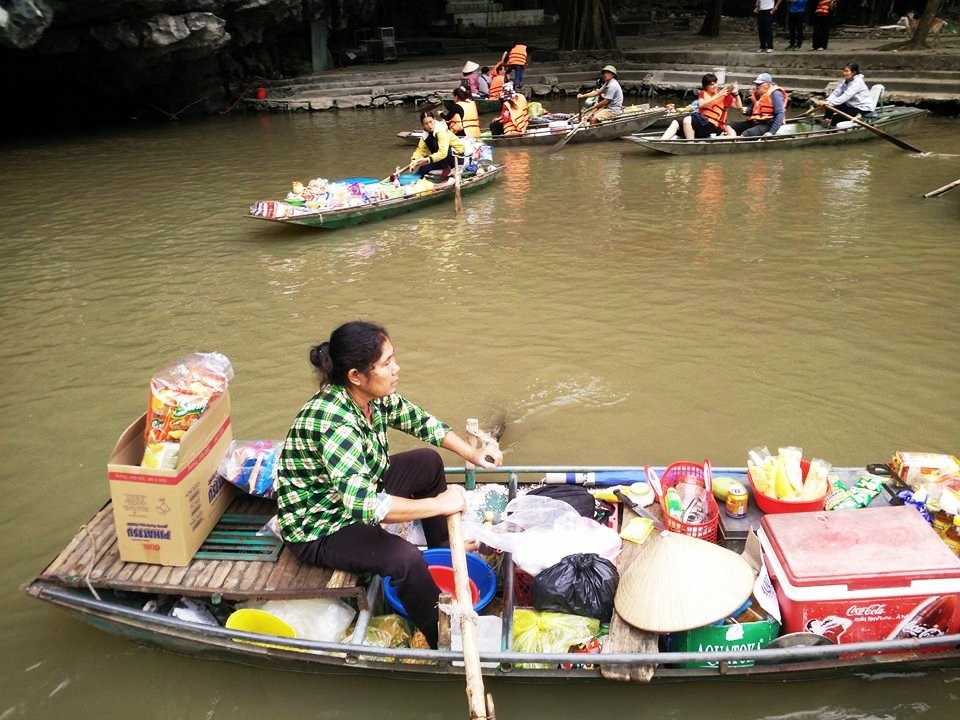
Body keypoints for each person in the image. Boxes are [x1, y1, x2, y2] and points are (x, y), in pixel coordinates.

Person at [276, 321, 503, 650]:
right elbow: (364, 506)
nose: (396, 369)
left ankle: (442, 548)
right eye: (386, 363)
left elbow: (419, 420)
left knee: (427, 461)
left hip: (355, 489)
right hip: (322, 524)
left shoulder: (371, 396)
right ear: (356, 375)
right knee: (406, 560)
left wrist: (473, 453)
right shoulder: (335, 420)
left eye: (393, 359)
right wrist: (441, 504)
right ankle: (442, 638)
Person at [661, 73, 742, 139]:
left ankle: (691, 144)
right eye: (711, 84)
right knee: (675, 122)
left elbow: (739, 107)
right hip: (701, 122)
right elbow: (701, 104)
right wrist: (717, 96)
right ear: (706, 87)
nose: (715, 86)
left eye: (715, 83)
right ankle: (662, 141)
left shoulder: (725, 96)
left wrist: (736, 93)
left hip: (714, 126)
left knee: (687, 120)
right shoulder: (703, 94)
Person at [730, 72, 788, 137]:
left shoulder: (776, 94)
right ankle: (731, 139)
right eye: (756, 84)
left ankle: (737, 142)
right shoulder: (758, 94)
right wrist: (743, 110)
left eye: (759, 84)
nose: (757, 87)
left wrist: (771, 132)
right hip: (756, 122)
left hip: (768, 124)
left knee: (747, 133)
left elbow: (780, 114)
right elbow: (751, 111)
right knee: (731, 125)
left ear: (768, 85)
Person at [410, 111, 465, 178]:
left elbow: (443, 152)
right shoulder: (425, 135)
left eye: (430, 122)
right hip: (442, 159)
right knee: (423, 168)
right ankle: (412, 181)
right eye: (426, 124)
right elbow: (421, 150)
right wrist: (414, 160)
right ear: (423, 125)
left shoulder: (441, 130)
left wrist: (428, 159)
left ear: (434, 120)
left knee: (424, 168)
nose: (429, 126)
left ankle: (447, 168)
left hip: (456, 158)